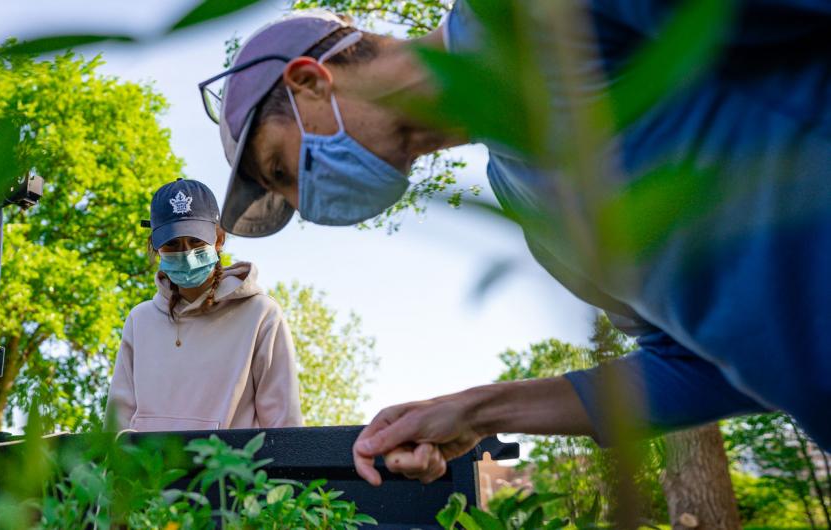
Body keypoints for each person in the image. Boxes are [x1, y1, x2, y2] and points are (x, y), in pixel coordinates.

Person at [199, 2, 831, 485]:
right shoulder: (529, 209)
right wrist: (477, 412)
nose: (308, 202)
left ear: (311, 80)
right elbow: (704, 366)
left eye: (285, 169)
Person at [107, 178, 304, 432]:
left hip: (229, 468)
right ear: (157, 249)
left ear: (219, 238)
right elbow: (117, 420)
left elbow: (283, 422)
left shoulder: (261, 315)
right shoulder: (140, 320)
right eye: (173, 244)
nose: (186, 253)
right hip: (151, 470)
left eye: (195, 241)